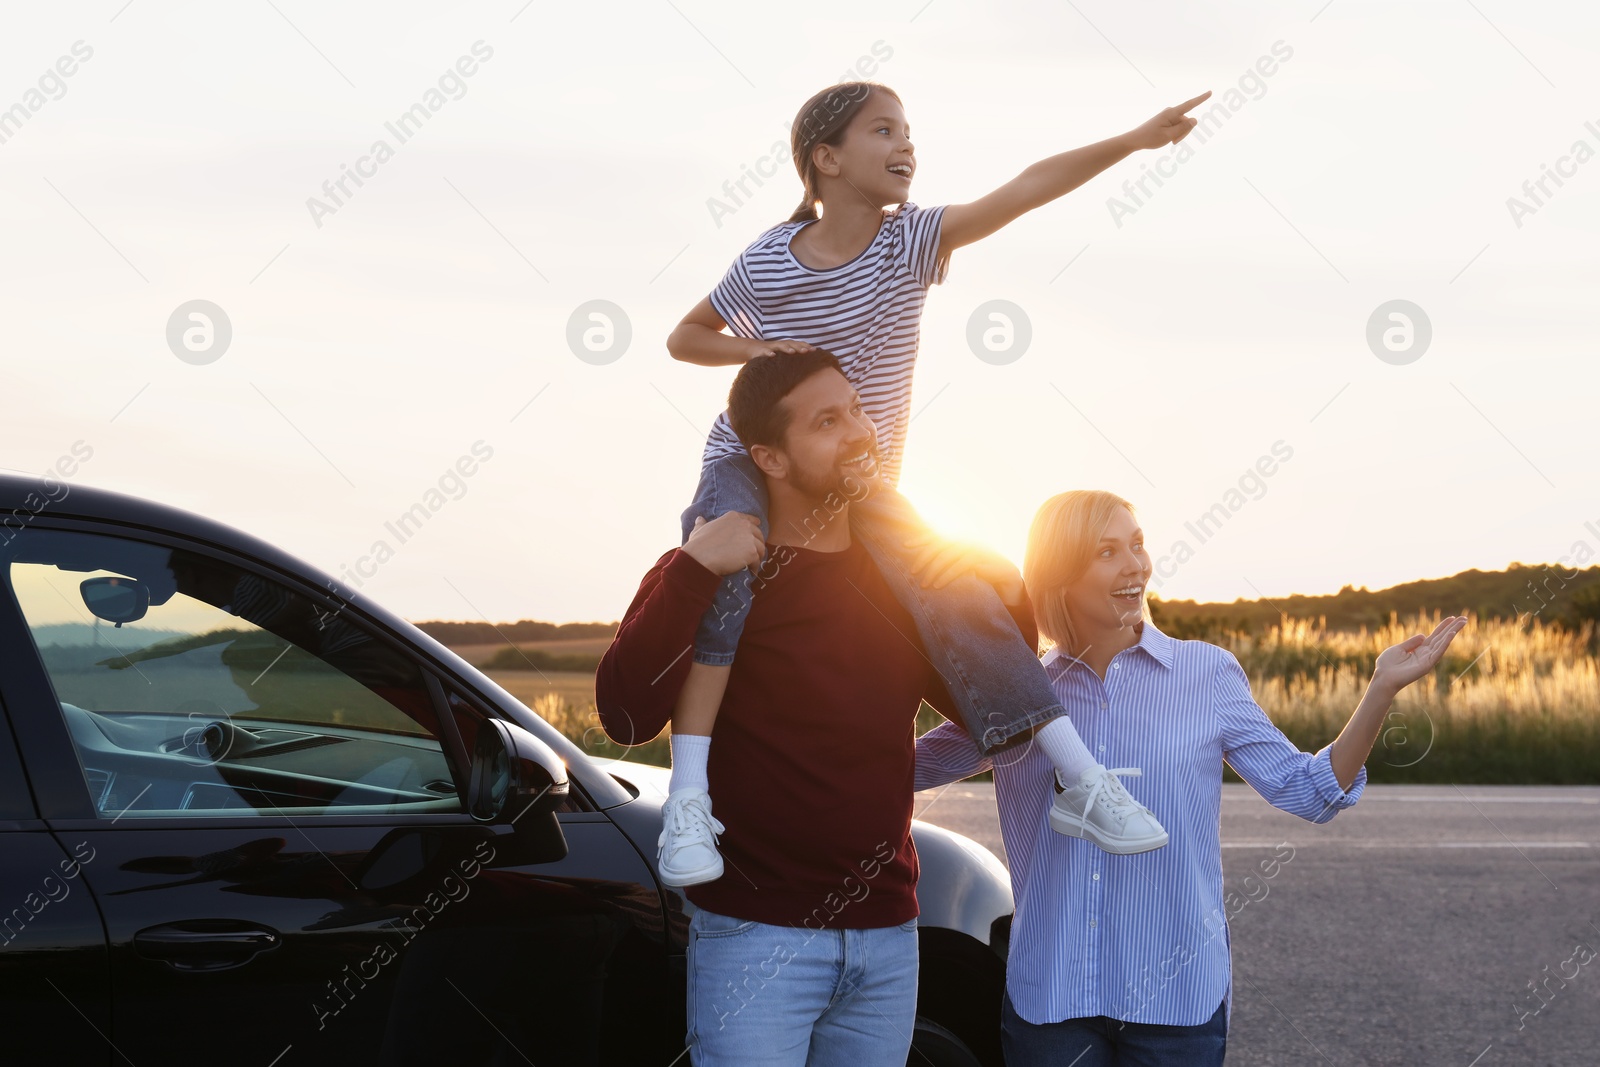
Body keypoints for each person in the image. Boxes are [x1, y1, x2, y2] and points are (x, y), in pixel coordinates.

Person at [657, 78, 1215, 884]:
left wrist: (1131, 140)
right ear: (826, 159)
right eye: (883, 131)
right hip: (750, 460)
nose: (906, 146)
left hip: (859, 480)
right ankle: (688, 801)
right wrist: (759, 354)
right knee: (729, 572)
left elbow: (1024, 188)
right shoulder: (768, 261)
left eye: (908, 131)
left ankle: (1078, 775)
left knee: (954, 586)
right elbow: (685, 336)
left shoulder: (909, 242)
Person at [914, 490, 1468, 1066]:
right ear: (1059, 571)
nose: (1135, 565)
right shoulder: (1013, 694)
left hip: (1176, 1004)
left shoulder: (1206, 674)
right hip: (1053, 1002)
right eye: (1107, 551)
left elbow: (1309, 791)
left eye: (1137, 544)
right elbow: (903, 769)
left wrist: (1381, 689)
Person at [595, 351, 1039, 1065]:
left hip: (890, 933)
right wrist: (690, 569)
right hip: (754, 936)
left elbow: (986, 705)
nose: (859, 431)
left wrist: (1005, 590)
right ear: (768, 455)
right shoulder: (714, 566)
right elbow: (625, 713)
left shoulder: (905, 577)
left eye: (858, 409)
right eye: (828, 421)